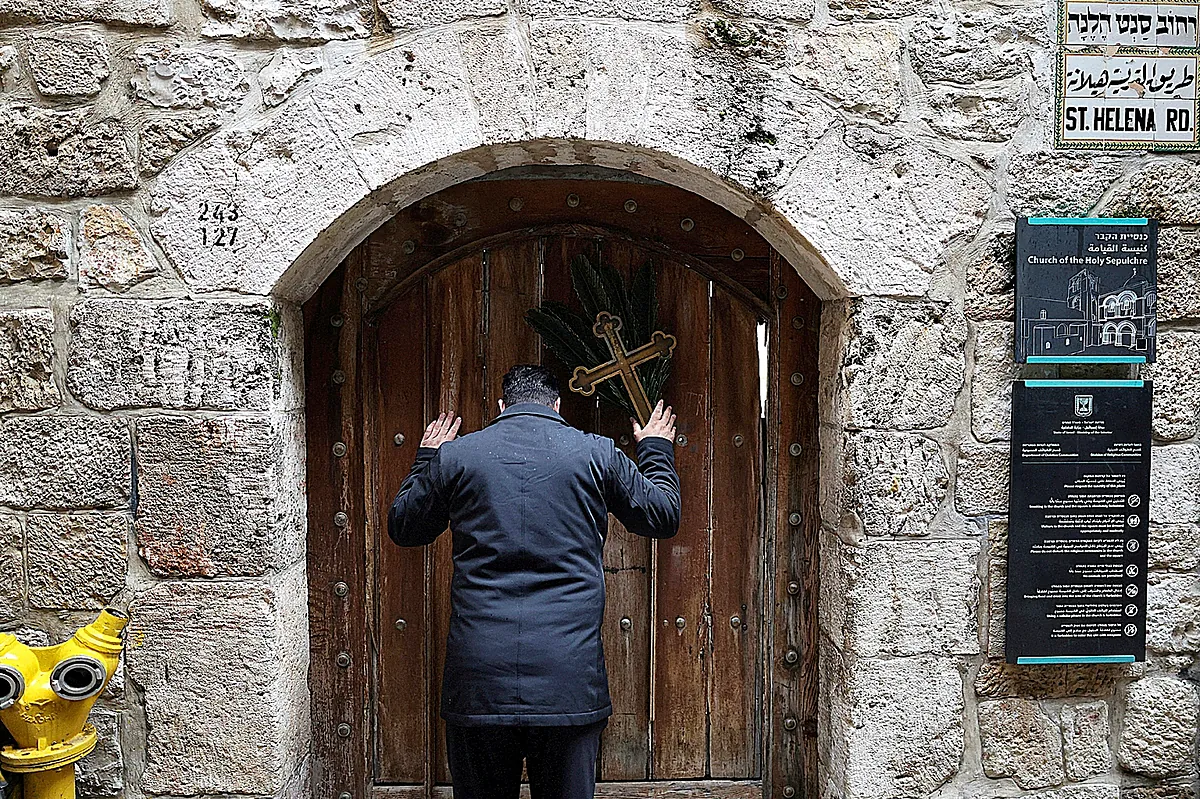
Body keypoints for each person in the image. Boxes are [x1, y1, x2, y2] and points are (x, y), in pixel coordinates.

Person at [388, 364, 681, 799]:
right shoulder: (597, 453)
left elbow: (405, 527)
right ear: (557, 406)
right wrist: (655, 448)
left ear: (502, 406)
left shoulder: (458, 456)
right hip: (568, 683)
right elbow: (662, 515)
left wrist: (429, 456)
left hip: (480, 685)